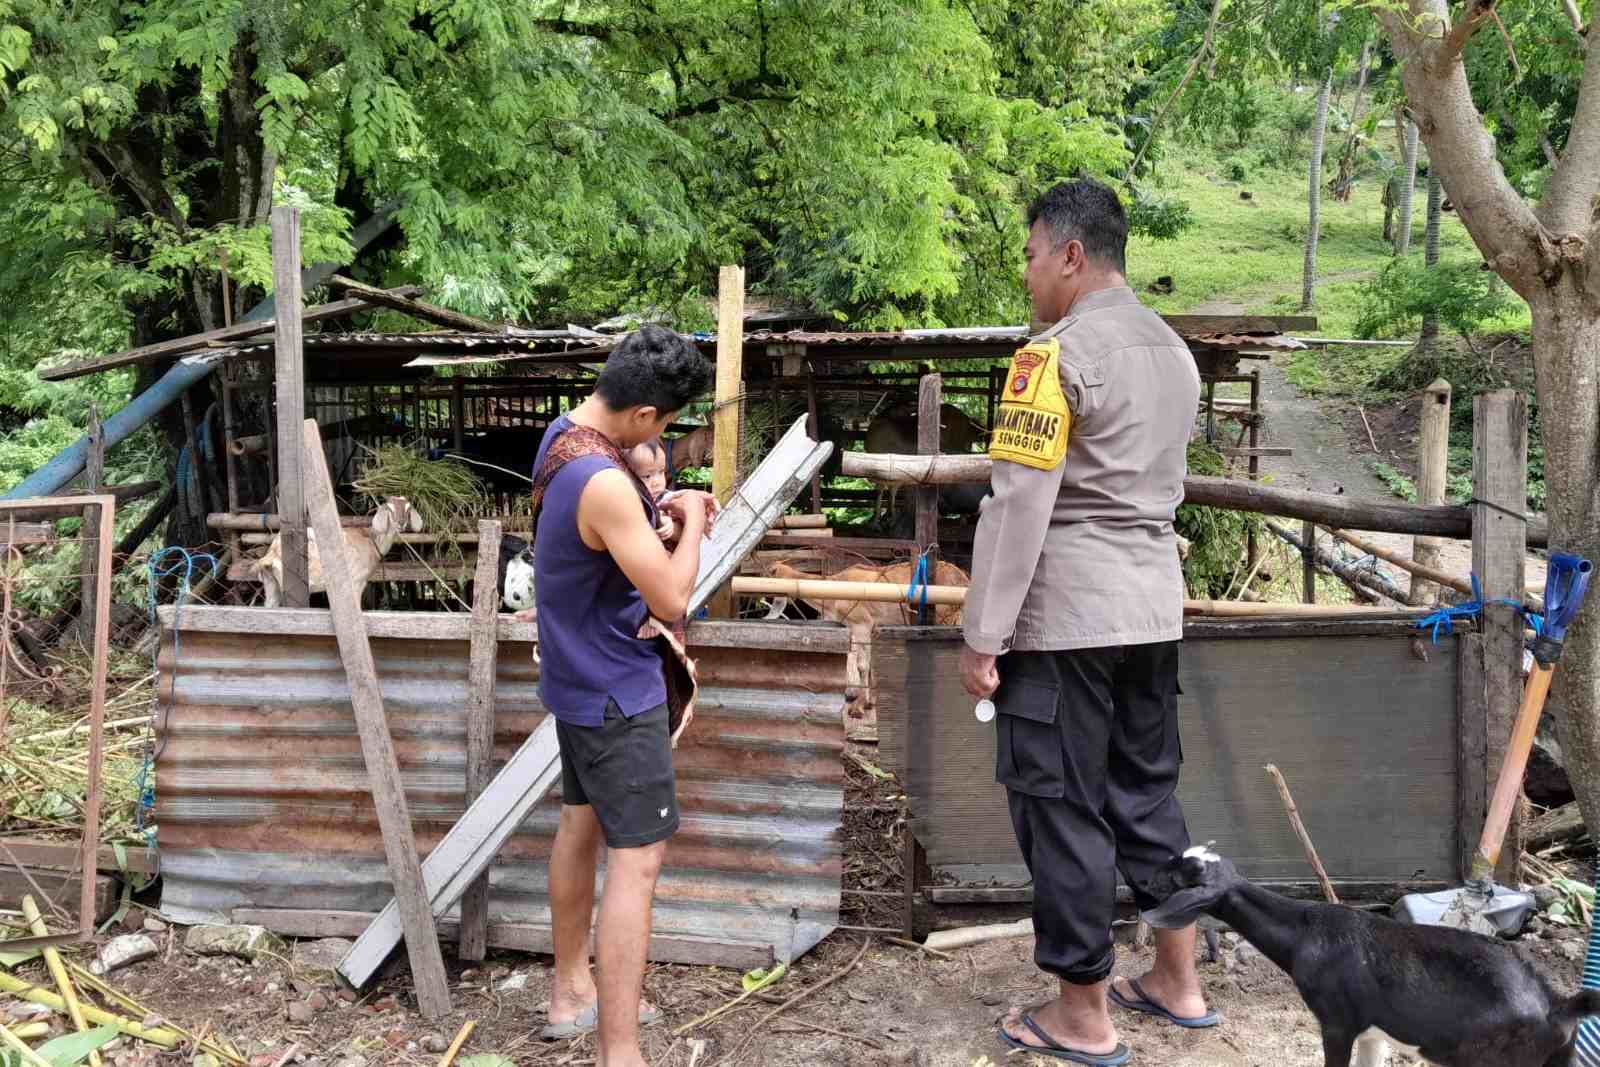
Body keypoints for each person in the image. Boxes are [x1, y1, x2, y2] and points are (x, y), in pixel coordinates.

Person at [960, 179, 1209, 1066]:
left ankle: (1081, 1013)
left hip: (1065, 620)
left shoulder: (1047, 360)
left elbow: (1018, 505)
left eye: (1031, 257)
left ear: (1070, 254)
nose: (1027, 278)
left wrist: (983, 632)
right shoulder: (1175, 352)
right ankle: (1178, 978)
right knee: (1146, 795)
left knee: (1061, 808)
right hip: (1152, 611)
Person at [531, 324, 716, 1067]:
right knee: (636, 861)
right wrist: (693, 520)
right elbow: (671, 597)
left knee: (580, 824)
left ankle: (571, 990)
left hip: (573, 682)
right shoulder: (606, 483)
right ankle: (621, 1051)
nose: (664, 436)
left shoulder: (565, 435)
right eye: (666, 424)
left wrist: (651, 516)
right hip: (615, 693)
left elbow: (603, 543)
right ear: (644, 416)